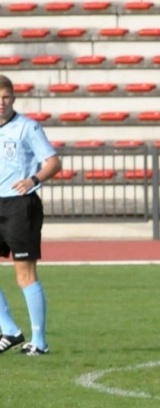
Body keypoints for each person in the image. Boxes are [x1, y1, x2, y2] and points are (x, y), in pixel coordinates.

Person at [0, 75, 62, 356]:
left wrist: (33, 179)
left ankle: (39, 341)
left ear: (13, 98)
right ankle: (10, 331)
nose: (1, 104)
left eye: (5, 98)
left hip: (19, 206)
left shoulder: (27, 128)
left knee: (24, 273)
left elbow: (53, 162)